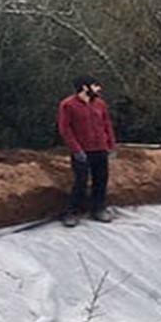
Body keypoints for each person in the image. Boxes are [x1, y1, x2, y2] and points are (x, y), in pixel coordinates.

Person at [57, 75, 117, 227]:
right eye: (95, 85)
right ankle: (71, 212)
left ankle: (98, 209)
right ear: (85, 87)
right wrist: (76, 149)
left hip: (100, 148)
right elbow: (65, 129)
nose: (99, 89)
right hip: (82, 151)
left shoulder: (100, 104)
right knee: (81, 182)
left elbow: (107, 124)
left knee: (101, 180)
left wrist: (111, 145)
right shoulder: (68, 105)